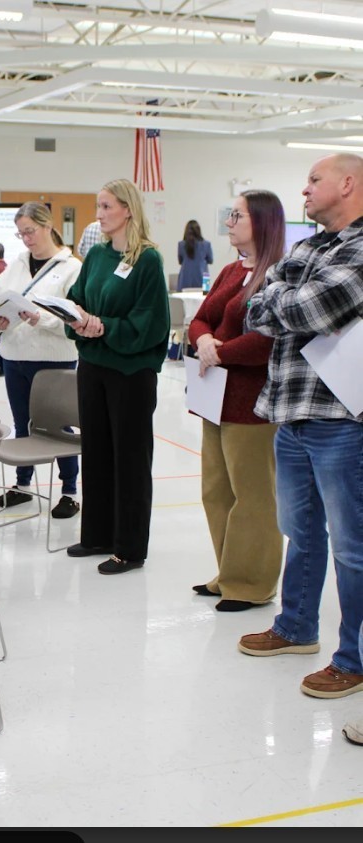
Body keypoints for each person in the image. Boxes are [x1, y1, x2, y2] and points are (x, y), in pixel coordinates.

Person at [237, 153, 363, 700]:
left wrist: (279, 296)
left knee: (353, 548)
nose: (304, 190)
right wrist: (281, 297)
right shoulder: (310, 246)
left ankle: (354, 659)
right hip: (291, 412)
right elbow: (254, 308)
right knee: (302, 532)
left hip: (342, 418)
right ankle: (295, 628)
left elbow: (312, 308)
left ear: (349, 184)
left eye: (314, 180)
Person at [64, 178, 169, 575]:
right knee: (96, 453)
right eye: (98, 206)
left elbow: (152, 322)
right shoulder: (96, 257)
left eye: (107, 206)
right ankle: (97, 534)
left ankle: (129, 547)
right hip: (93, 366)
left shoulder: (148, 261)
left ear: (128, 209)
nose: (100, 214)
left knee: (129, 458)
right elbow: (79, 298)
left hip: (130, 371)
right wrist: (71, 316)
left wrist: (104, 326)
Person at [188, 190, 285, 612]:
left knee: (253, 495)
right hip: (217, 397)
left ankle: (252, 582)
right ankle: (229, 572)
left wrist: (218, 351)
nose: (229, 222)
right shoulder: (231, 270)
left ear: (261, 222)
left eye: (237, 215)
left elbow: (270, 339)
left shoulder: (280, 274)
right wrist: (205, 339)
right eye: (229, 214)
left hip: (252, 402)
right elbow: (201, 318)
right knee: (216, 489)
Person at [0, 202, 82, 517]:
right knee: (21, 423)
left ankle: (69, 490)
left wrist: (39, 318)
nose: (26, 239)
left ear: (47, 226)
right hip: (15, 355)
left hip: (54, 361)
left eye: (30, 231)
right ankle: (22, 485)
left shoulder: (71, 268)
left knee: (60, 427)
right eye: (20, 233)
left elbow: (74, 320)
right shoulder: (15, 265)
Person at [177, 219, 214, 290]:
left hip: (184, 279)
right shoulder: (206, 244)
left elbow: (180, 262)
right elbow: (210, 260)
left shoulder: (181, 244)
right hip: (204, 279)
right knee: (204, 298)